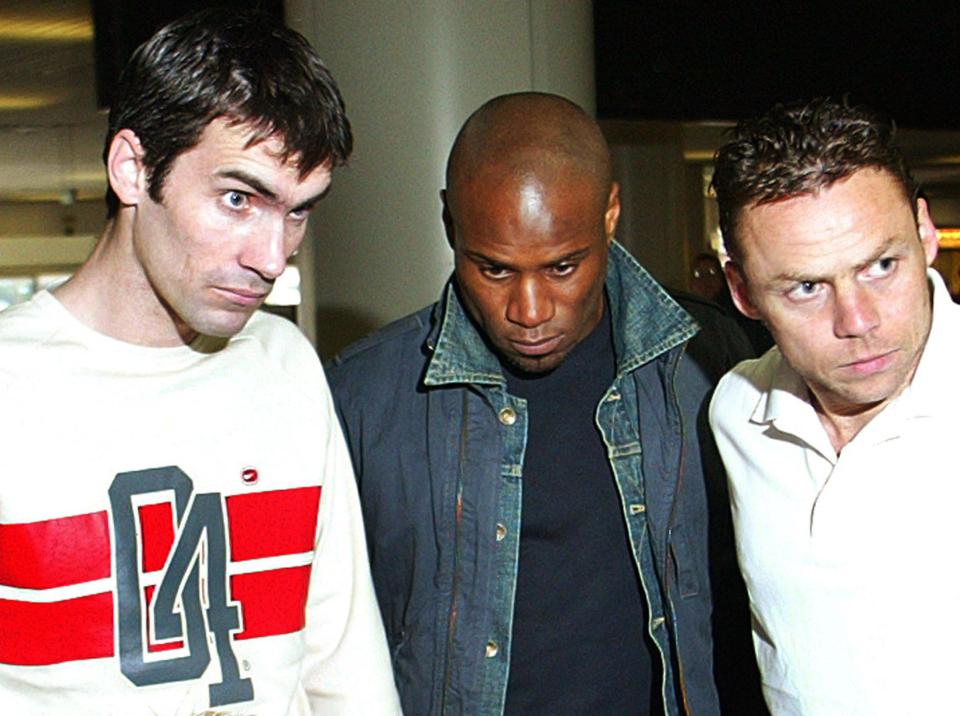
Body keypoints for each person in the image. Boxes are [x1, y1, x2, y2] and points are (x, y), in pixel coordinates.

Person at [0, 9, 400, 714]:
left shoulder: (285, 365)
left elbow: (342, 661)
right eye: (239, 198)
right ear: (132, 168)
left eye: (299, 211)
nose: (272, 258)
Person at [327, 92, 762, 715]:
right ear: (451, 224)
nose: (529, 312)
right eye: (494, 270)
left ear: (611, 213)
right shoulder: (363, 398)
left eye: (563, 267)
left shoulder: (707, 363)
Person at [710, 97, 956, 714]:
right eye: (806, 287)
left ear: (925, 233)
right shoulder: (736, 410)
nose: (857, 321)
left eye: (880, 265)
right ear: (741, 290)